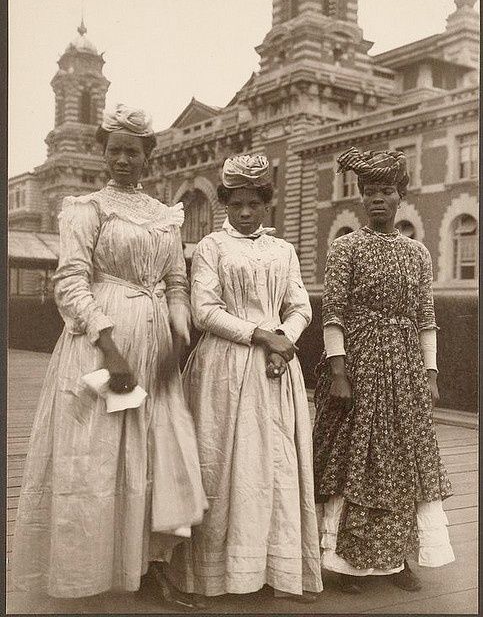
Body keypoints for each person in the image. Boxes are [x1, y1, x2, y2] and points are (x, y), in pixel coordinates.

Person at [11, 104, 207, 601]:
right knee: (96, 456)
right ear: (105, 153)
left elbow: (177, 282)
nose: (123, 160)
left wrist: (179, 332)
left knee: (159, 456)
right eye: (115, 150)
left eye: (133, 152)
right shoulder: (86, 207)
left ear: (148, 156)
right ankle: (88, 568)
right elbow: (71, 280)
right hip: (102, 341)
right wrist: (108, 345)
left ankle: (152, 564)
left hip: (155, 341)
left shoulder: (167, 216)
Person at [167, 154, 323, 603]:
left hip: (277, 369)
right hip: (226, 365)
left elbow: (300, 307)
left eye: (255, 203)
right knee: (228, 465)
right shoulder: (212, 247)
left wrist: (284, 340)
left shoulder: (283, 250)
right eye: (237, 204)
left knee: (276, 465)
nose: (246, 212)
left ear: (267, 203)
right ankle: (222, 575)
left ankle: (277, 570)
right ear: (225, 203)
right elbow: (204, 310)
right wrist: (260, 336)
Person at [312, 147, 454, 594]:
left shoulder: (417, 253)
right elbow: (333, 312)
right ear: (360, 198)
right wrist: (338, 371)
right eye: (370, 192)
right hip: (358, 362)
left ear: (400, 197)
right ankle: (342, 562)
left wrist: (429, 373)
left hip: (405, 368)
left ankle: (398, 560)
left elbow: (426, 316)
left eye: (387, 191)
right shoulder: (346, 248)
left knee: (403, 461)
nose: (378, 199)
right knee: (355, 459)